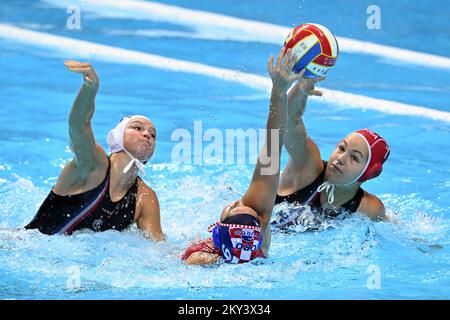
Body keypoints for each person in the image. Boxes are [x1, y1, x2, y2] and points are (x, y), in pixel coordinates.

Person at [182, 48, 302, 265]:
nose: (238, 201)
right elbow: (273, 145)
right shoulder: (260, 236)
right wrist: (281, 91)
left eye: (233, 207)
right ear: (261, 229)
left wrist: (278, 90)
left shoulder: (200, 258)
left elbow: (275, 144)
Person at [25, 61, 165, 240]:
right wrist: (90, 89)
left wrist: (204, 251)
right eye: (137, 128)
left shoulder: (145, 198)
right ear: (116, 138)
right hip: (25, 245)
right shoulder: (93, 164)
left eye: (153, 134)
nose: (147, 134)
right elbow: (78, 125)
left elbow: (159, 250)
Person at [272, 73, 390, 230]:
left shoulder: (368, 209)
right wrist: (301, 88)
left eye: (354, 158)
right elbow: (287, 122)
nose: (340, 158)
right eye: (341, 148)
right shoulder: (308, 166)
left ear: (369, 173)